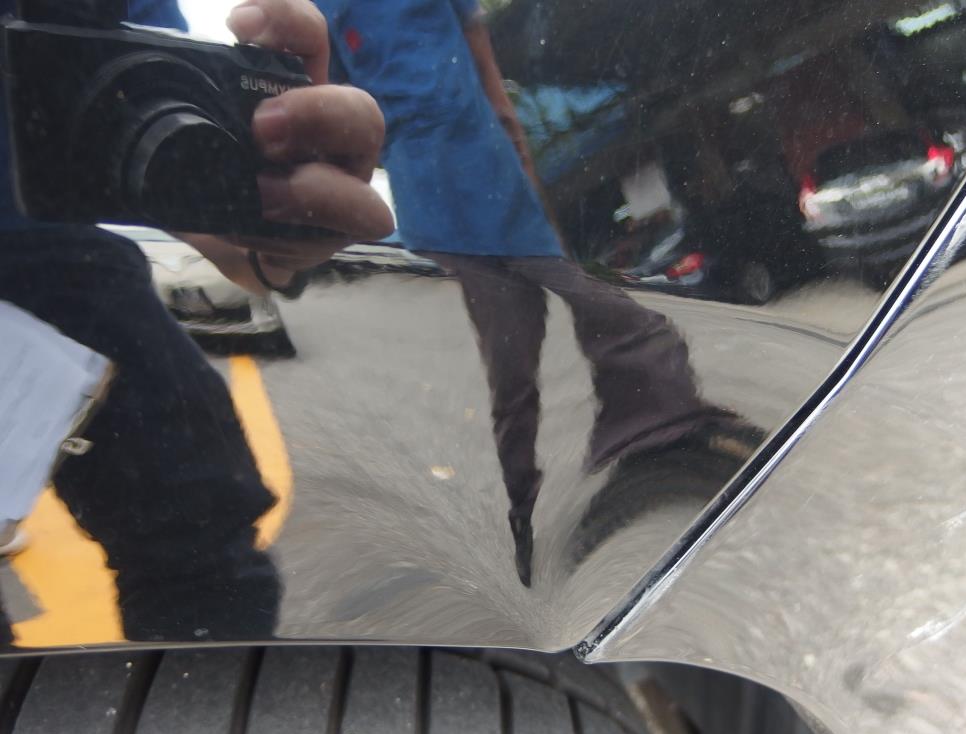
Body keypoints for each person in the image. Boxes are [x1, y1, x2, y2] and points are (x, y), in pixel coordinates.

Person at [316, 0, 755, 586]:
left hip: (486, 162)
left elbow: (486, 73)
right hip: (430, 189)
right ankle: (524, 520)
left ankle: (656, 426)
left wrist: (515, 154)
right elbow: (347, 116)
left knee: (594, 310)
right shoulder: (323, 8)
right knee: (511, 367)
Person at [0, 0, 392, 642]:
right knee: (204, 538)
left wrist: (267, 224)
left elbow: (146, 120)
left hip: (45, 247)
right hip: (50, 253)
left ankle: (208, 687)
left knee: (204, 529)